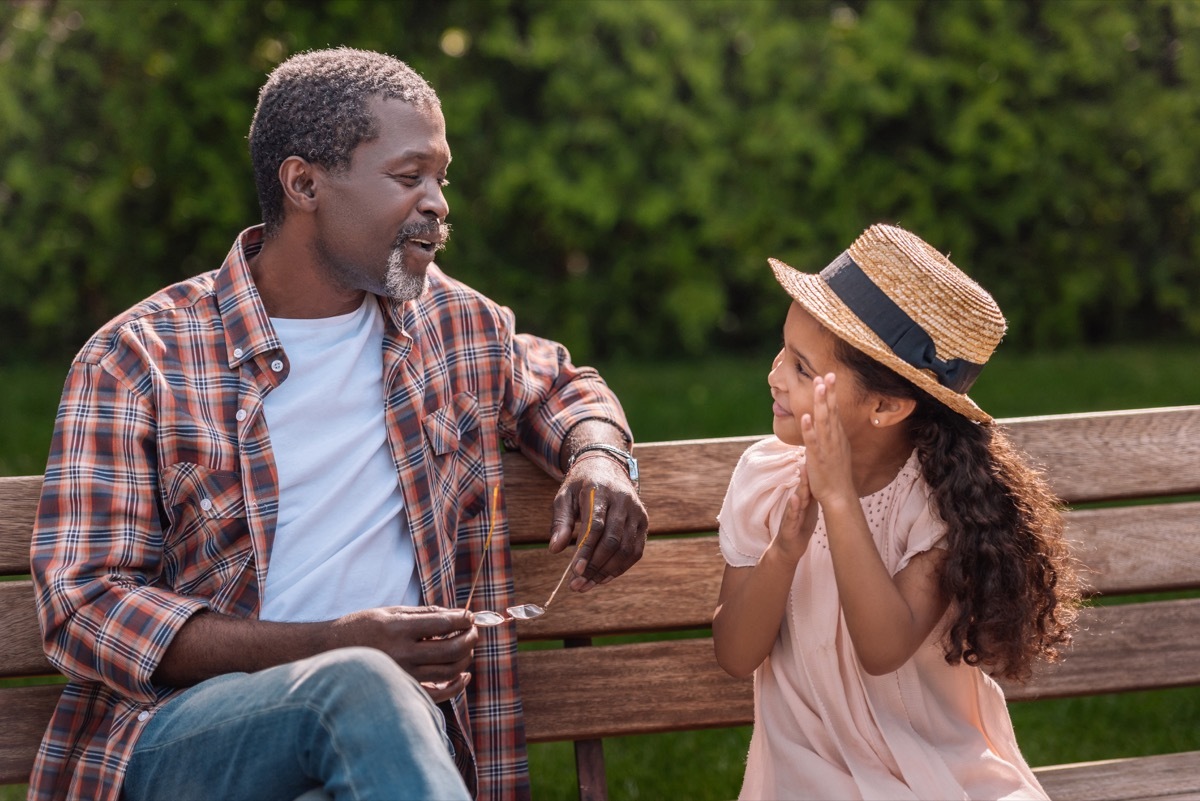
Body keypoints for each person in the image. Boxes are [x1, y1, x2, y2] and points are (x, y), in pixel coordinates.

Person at [29, 47, 647, 801]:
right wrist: (331, 646)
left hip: (389, 752)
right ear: (304, 183)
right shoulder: (140, 359)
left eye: (441, 178)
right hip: (186, 742)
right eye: (407, 175)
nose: (438, 203)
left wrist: (600, 457)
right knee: (358, 683)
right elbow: (85, 605)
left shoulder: (453, 327)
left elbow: (561, 385)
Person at [711, 223, 1081, 799]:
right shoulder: (766, 481)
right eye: (783, 350)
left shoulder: (936, 504)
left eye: (803, 368)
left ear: (885, 405)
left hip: (935, 766)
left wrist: (837, 501)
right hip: (809, 772)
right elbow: (735, 655)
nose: (775, 375)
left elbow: (883, 648)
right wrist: (784, 549)